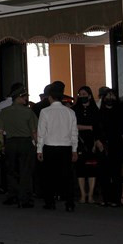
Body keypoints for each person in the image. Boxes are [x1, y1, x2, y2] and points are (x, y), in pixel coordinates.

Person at [36, 82, 78, 211]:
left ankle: (50, 202)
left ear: (50, 97)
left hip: (50, 147)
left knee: (49, 176)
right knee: (67, 176)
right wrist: (74, 150)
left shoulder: (45, 112)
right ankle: (70, 203)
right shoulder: (70, 112)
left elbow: (41, 133)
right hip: (66, 147)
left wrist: (39, 149)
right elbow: (74, 132)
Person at [0, 86, 38, 208]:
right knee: (25, 171)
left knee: (11, 171)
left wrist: (2, 145)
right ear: (19, 98)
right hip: (25, 143)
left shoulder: (4, 112)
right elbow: (34, 131)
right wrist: (38, 145)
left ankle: (13, 196)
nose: (26, 99)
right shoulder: (28, 112)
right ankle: (25, 198)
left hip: (11, 143)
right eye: (25, 97)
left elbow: (0, 131)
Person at [97, 89, 123, 207]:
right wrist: (97, 141)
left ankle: (116, 199)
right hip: (102, 145)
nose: (110, 99)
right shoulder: (100, 112)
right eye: (107, 96)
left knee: (115, 173)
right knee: (103, 173)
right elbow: (96, 127)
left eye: (112, 96)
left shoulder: (120, 112)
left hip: (116, 145)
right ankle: (105, 198)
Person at [73, 85, 100, 204]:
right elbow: (73, 126)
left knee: (92, 169)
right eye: (80, 95)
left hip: (92, 142)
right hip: (78, 142)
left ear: (89, 96)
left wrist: (96, 140)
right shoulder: (75, 110)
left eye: (84, 94)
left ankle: (90, 195)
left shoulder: (95, 110)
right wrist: (89, 127)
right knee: (81, 169)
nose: (82, 97)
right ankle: (83, 195)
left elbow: (99, 127)